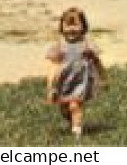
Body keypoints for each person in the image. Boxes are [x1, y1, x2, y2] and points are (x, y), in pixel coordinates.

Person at [45, 7, 105, 139]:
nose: (71, 29)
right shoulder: (58, 46)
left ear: (84, 27)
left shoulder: (86, 45)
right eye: (67, 25)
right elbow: (52, 66)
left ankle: (77, 132)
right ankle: (72, 121)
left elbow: (96, 61)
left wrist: (103, 77)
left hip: (80, 82)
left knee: (74, 105)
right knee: (64, 109)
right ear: (61, 27)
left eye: (76, 25)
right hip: (63, 83)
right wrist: (50, 85)